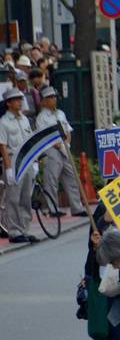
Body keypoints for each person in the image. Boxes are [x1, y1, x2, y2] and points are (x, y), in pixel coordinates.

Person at [34, 87, 85, 216]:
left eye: (54, 97)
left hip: (64, 147)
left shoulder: (60, 113)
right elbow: (47, 137)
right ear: (44, 101)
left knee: (71, 177)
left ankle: (77, 208)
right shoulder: (41, 117)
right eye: (50, 98)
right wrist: (61, 146)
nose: (54, 100)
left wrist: (67, 143)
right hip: (52, 149)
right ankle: (53, 209)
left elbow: (67, 130)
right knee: (52, 179)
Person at [0, 86, 35, 241]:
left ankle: (25, 229)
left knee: (26, 197)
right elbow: (3, 146)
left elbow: (29, 141)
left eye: (20, 99)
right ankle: (14, 232)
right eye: (16, 100)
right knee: (13, 198)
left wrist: (34, 162)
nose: (20, 103)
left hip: (27, 161)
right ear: (8, 103)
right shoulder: (4, 122)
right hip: (13, 162)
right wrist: (8, 169)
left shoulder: (25, 119)